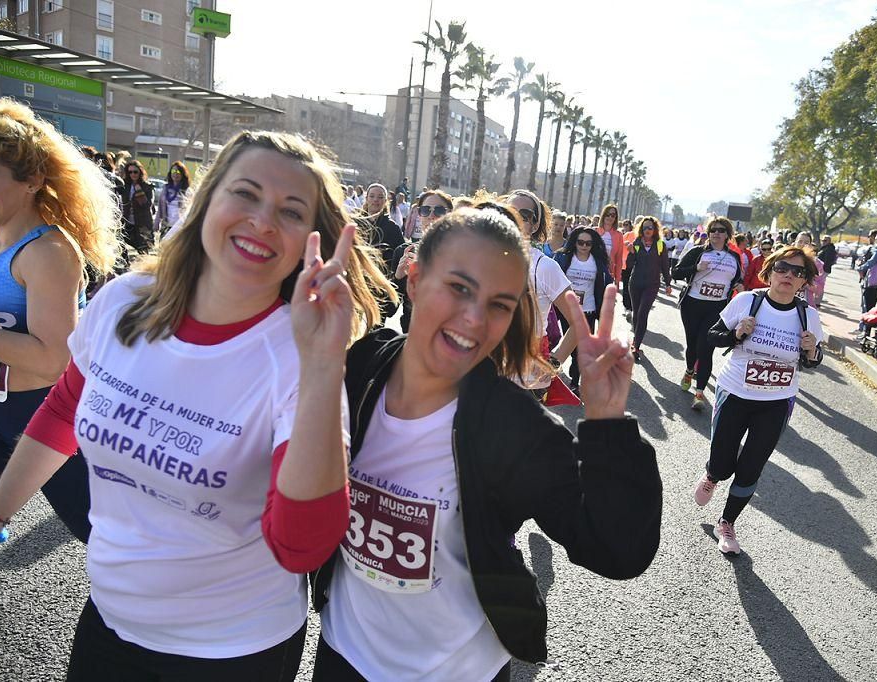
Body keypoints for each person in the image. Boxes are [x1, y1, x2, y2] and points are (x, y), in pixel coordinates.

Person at [0, 130, 393, 680]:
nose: (263, 221)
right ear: (207, 201)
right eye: (245, 194)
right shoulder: (122, 303)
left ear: (310, 240)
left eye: (291, 211)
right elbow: (65, 408)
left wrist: (323, 371)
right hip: (109, 619)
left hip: (231, 650)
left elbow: (301, 549)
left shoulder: (298, 357)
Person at [268, 205, 662, 681]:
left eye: (499, 304)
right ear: (414, 280)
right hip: (343, 657)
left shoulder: (512, 425)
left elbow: (617, 550)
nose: (475, 319)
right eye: (459, 288)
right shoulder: (359, 369)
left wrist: (607, 424)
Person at [0, 97, 120, 543]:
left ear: (32, 181)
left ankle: (152, 608)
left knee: (105, 535)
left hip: (46, 414)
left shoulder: (47, 252)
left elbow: (52, 361)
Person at [694, 245, 824, 555]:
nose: (789, 276)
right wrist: (736, 334)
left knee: (751, 467)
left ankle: (727, 523)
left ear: (804, 282)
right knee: (724, 463)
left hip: (777, 401)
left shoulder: (808, 316)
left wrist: (812, 352)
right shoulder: (747, 302)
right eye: (782, 268)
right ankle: (713, 473)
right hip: (735, 392)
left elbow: (813, 362)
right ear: (769, 271)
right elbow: (712, 336)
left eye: (798, 272)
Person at [505, 190, 578, 397]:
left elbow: (578, 322)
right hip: (489, 372)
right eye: (510, 212)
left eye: (525, 215)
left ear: (535, 225)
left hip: (527, 378)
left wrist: (553, 362)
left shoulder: (544, 267)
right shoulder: (487, 258)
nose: (516, 219)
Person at [673, 217, 744, 410]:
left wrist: (739, 285)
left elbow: (738, 279)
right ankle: (689, 370)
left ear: (728, 234)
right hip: (692, 305)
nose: (716, 234)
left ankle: (699, 392)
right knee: (693, 346)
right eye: (713, 230)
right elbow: (676, 273)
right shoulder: (698, 252)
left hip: (717, 308)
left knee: (706, 349)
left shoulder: (734, 258)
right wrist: (695, 268)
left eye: (721, 230)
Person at [553, 226, 613, 393]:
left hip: (588, 310)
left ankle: (575, 382)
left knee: (582, 348)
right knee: (567, 345)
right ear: (574, 241)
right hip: (566, 309)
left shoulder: (598, 262)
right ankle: (556, 373)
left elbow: (607, 282)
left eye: (588, 243)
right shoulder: (563, 257)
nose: (584, 246)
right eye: (580, 242)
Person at [395, 190, 454, 333]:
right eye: (425, 210)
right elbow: (388, 310)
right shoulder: (405, 252)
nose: (431, 216)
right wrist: (398, 277)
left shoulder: (461, 256)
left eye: (439, 210)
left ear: (451, 215)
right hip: (410, 338)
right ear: (419, 215)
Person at [358, 183, 406, 325]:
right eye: (372, 196)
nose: (375, 200)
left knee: (375, 325)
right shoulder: (356, 223)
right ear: (366, 198)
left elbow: (399, 253)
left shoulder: (392, 227)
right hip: (356, 280)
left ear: (385, 201)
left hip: (379, 283)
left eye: (380, 197)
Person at [626, 217, 672, 362]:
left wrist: (669, 283)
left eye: (650, 228)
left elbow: (665, 266)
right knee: (636, 314)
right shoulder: (637, 243)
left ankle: (636, 346)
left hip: (652, 285)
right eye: (645, 227)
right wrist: (631, 252)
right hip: (635, 283)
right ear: (641, 229)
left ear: (655, 230)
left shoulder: (660, 245)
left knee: (642, 313)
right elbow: (629, 265)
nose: (648, 230)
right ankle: (636, 338)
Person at [120, 159, 155, 256]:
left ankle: (144, 269)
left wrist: (140, 192)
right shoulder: (125, 186)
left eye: (135, 172)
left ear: (140, 172)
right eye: (130, 172)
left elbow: (147, 205)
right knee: (121, 242)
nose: (133, 174)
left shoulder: (147, 186)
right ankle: (125, 266)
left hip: (142, 222)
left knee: (143, 250)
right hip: (128, 221)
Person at [156, 161, 190, 239]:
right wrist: (157, 223)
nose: (175, 173)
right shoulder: (165, 188)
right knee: (164, 249)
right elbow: (160, 208)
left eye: (178, 171)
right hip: (167, 226)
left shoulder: (187, 190)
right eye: (173, 171)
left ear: (182, 174)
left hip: (180, 228)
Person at [596, 204, 625, 286]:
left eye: (613, 215)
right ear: (603, 216)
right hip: (593, 270)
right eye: (607, 215)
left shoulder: (619, 235)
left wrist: (617, 279)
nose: (610, 217)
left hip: (609, 272)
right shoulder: (595, 231)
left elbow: (619, 258)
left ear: (615, 218)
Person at [795, 231, 825, 308]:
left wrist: (805, 282)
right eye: (800, 241)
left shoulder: (816, 264)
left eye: (806, 242)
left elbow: (819, 289)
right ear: (795, 242)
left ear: (810, 245)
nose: (802, 244)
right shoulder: (785, 258)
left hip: (805, 303)